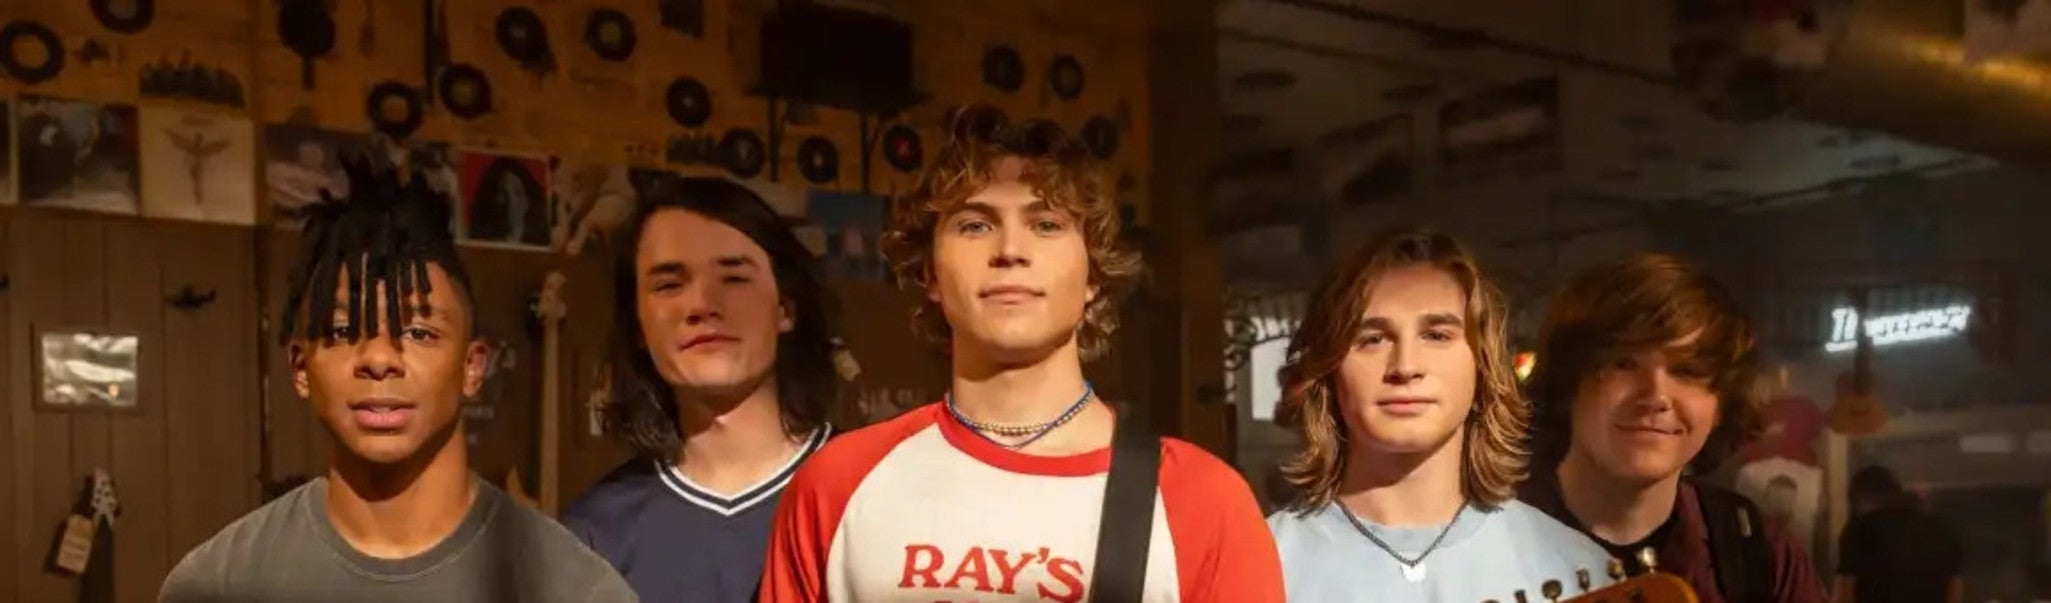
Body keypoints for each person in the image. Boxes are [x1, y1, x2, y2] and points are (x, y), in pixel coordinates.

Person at [756, 104, 1284, 602]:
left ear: (1093, 275)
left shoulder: (1202, 501)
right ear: (930, 273)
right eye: (975, 225)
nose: (1010, 250)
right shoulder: (838, 483)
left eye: (1046, 224)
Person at [158, 157, 634, 601]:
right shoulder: (218, 585)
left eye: (419, 332)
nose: (379, 358)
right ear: (300, 369)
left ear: (472, 368)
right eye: (344, 331)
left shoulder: (575, 590)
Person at [1266, 226, 1616, 601]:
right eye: (1372, 339)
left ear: (1482, 365)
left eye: (1436, 335)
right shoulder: (1260, 562)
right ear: (1329, 372)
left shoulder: (1578, 570)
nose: (1405, 367)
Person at [562, 177, 840, 602]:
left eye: (733, 278)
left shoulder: (870, 489)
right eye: (669, 285)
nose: (701, 305)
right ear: (638, 327)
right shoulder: (595, 535)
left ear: (785, 308)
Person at [1520, 252, 1826, 603]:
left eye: (1687, 371)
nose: (1656, 396)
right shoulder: (1479, 540)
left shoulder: (1757, 553)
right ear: (1568, 382)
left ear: (1721, 406)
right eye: (1623, 364)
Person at [1834, 465, 1964, 603]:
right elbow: (1954, 596)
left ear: (1860, 499)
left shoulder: (1859, 530)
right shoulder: (1943, 530)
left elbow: (1844, 597)